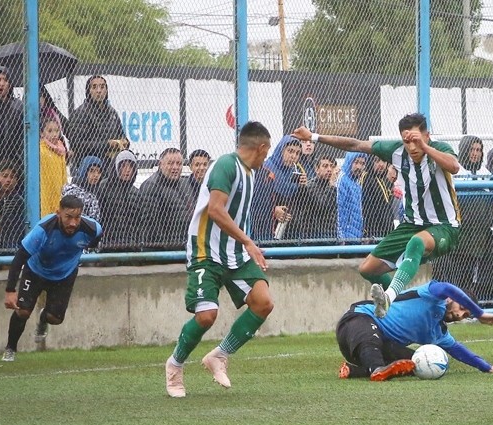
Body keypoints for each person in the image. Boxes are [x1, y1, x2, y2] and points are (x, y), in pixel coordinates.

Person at [293, 113, 462, 318]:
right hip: (412, 224)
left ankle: (389, 298)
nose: (412, 147)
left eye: (416, 140)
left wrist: (425, 147)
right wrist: (314, 137)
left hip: (445, 226)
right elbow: (355, 145)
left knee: (417, 243)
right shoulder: (397, 152)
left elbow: (453, 166)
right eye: (407, 141)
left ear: (427, 136)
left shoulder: (440, 149)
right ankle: (402, 308)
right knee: (368, 269)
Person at [165, 121, 275, 398]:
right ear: (260, 148)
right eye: (267, 151)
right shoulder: (227, 165)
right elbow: (215, 210)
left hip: (234, 254)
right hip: (206, 251)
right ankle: (175, 364)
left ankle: (219, 356)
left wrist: (243, 243)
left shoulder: (250, 173)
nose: (267, 157)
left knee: (263, 303)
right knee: (206, 317)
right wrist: (249, 241)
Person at [336, 280, 493, 381]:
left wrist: (487, 367)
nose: (460, 315)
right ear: (452, 298)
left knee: (416, 363)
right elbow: (446, 287)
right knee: (370, 336)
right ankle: (376, 369)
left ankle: (356, 370)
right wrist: (478, 312)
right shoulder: (432, 294)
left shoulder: (438, 333)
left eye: (466, 315)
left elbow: (459, 351)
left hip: (361, 351)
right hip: (357, 321)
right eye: (462, 308)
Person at [0, 195, 102, 362]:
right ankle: (10, 348)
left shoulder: (92, 229)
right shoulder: (43, 230)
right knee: (23, 311)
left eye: (77, 217)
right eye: (68, 217)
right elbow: (19, 257)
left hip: (64, 274)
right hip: (35, 271)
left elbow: (94, 241)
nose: (73, 223)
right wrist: (10, 290)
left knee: (56, 319)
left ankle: (43, 318)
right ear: (58, 213)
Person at [65, 75, 127, 173]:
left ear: (106, 90)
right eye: (94, 87)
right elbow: (77, 144)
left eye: (102, 87)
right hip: (89, 169)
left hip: (111, 167)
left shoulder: (112, 112)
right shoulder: (81, 113)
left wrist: (124, 142)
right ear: (88, 91)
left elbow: (122, 135)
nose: (99, 90)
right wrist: (107, 144)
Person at [139, 148, 194, 250]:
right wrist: (167, 247)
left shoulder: (185, 184)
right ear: (161, 164)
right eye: (170, 163)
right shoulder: (151, 185)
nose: (175, 167)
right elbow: (151, 224)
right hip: (162, 249)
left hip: (185, 245)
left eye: (179, 163)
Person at [39, 117, 69, 217]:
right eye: (50, 131)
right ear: (42, 133)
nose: (54, 134)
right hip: (45, 192)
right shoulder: (41, 150)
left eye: (57, 131)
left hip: (58, 191)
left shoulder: (61, 150)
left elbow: (64, 174)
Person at [62, 156, 103, 222]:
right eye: (92, 171)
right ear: (84, 171)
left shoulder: (98, 192)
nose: (96, 175)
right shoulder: (74, 192)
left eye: (99, 172)